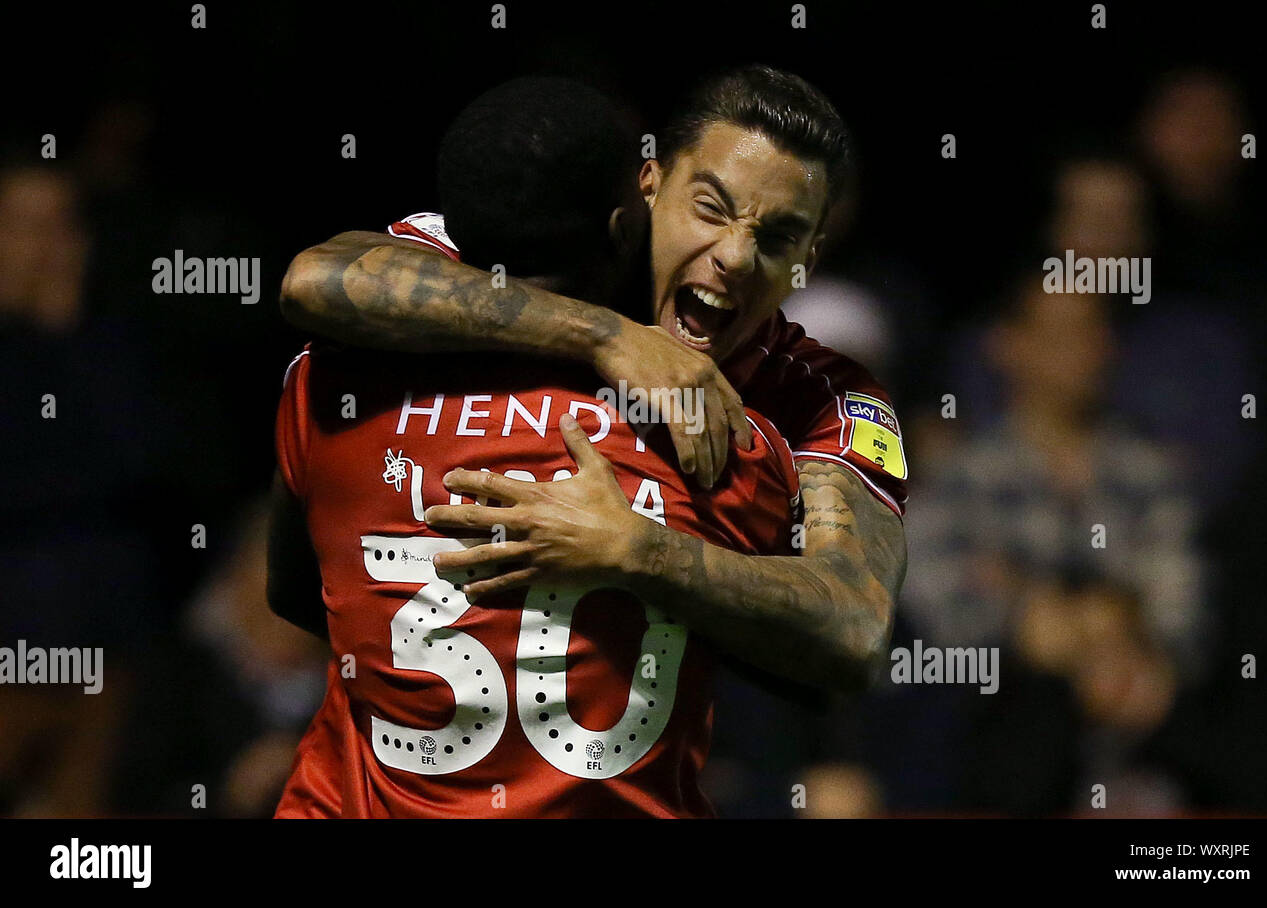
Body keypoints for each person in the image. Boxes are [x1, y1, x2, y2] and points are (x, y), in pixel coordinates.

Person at [268, 77, 801, 818]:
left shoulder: (326, 386)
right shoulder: (707, 431)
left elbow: (295, 593)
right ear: (624, 228)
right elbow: (812, 652)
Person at [280, 65, 909, 691]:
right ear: (650, 186)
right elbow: (314, 281)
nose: (737, 257)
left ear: (811, 258)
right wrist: (607, 336)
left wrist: (639, 552)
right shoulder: (513, 257)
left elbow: (855, 628)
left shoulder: (825, 397)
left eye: (779, 237)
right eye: (711, 209)